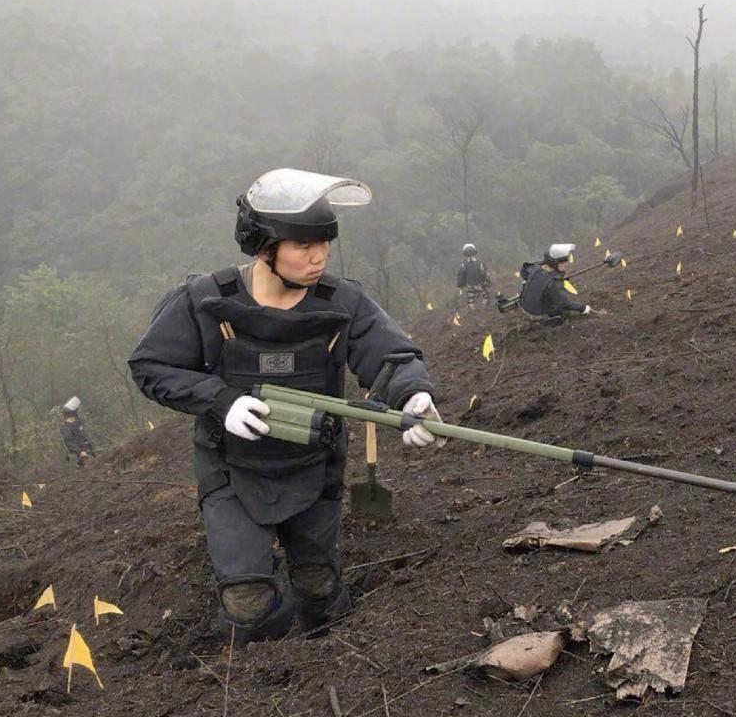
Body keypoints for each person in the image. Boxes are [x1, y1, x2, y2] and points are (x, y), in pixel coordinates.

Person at [128, 168, 445, 644]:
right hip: (232, 469)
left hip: (314, 466)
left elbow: (391, 355)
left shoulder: (342, 302)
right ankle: (258, 674)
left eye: (325, 243)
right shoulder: (204, 301)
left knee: (318, 589)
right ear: (264, 245)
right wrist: (220, 400)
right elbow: (151, 366)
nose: (319, 257)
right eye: (303, 245)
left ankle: (324, 653)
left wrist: (413, 394)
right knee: (247, 602)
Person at [518, 243, 599, 321]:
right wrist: (583, 308)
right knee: (565, 311)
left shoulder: (535, 267)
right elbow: (564, 303)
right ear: (555, 264)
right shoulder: (553, 283)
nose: (565, 265)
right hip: (536, 314)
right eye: (563, 263)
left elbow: (524, 273)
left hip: (524, 305)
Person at [59, 397, 95, 466]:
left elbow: (85, 438)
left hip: (88, 453)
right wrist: (80, 452)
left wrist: (90, 449)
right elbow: (69, 443)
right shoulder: (65, 428)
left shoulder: (78, 423)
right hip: (78, 457)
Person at [456, 243, 492, 309]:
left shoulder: (464, 265)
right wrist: (487, 283)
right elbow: (486, 275)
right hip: (480, 286)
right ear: (475, 252)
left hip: (470, 287)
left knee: (471, 302)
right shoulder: (480, 263)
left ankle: (474, 310)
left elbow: (460, 276)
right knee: (485, 299)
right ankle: (483, 309)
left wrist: (460, 285)